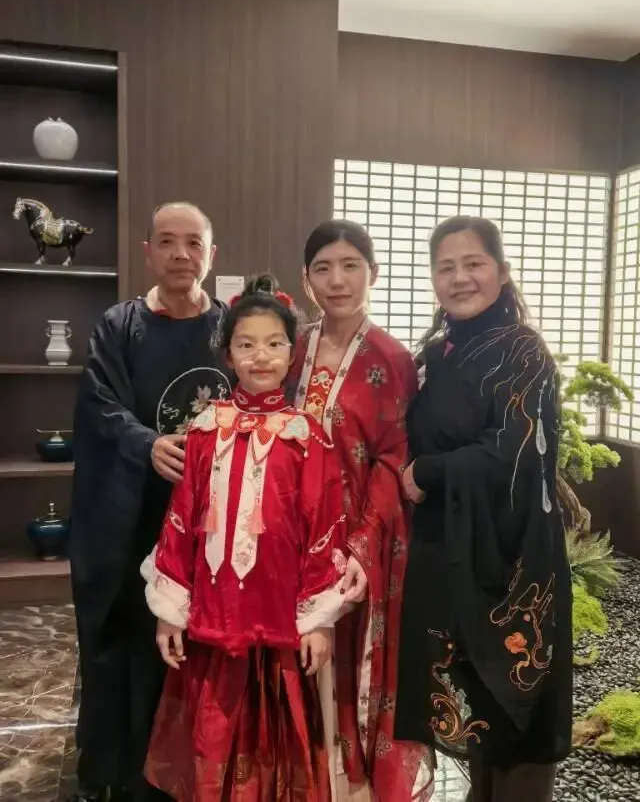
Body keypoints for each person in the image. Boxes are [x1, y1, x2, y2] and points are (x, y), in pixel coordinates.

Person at [139, 274, 365, 801]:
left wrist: (317, 620)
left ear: (291, 353)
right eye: (246, 344)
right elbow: (180, 520)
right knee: (213, 736)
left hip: (280, 619)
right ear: (228, 354)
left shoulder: (306, 435)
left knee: (280, 745)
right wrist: (170, 608)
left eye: (273, 344)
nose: (260, 356)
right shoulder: (204, 429)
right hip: (212, 616)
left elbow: (324, 528)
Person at [394, 216, 573, 802]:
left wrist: (427, 472)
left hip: (514, 564)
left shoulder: (522, 349)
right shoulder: (438, 353)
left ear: (501, 271)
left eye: (474, 263)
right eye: (445, 267)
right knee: (481, 726)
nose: (459, 278)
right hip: (453, 559)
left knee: (521, 728)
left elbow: (512, 452)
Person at [68, 202, 233, 802]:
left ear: (212, 254)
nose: (181, 254)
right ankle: (116, 767)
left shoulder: (231, 328)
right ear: (147, 252)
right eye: (167, 242)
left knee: (198, 644)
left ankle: (194, 768)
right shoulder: (121, 325)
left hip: (212, 521)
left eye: (194, 242)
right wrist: (147, 444)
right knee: (123, 636)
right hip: (132, 513)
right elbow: (99, 403)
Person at [292, 220, 434, 802]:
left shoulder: (391, 358)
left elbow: (394, 457)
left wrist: (362, 542)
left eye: (351, 266)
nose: (338, 280)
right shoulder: (292, 346)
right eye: (323, 268)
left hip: (359, 535)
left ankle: (348, 783)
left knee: (349, 655)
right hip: (289, 529)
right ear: (306, 279)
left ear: (372, 273)